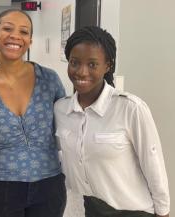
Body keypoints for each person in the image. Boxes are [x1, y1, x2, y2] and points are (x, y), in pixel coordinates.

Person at [54, 26, 170, 217]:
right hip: (92, 207)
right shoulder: (61, 109)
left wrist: (163, 211)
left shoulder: (130, 108)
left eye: (92, 64)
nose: (81, 72)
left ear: (107, 65)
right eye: (75, 63)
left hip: (134, 211)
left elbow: (153, 164)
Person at [0, 8, 67, 217]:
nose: (15, 36)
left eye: (24, 32)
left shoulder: (49, 80)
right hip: (1, 187)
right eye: (7, 28)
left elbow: (67, 127)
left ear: (30, 41)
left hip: (49, 184)